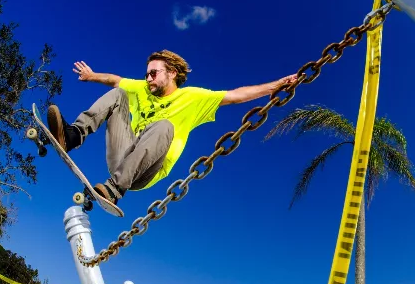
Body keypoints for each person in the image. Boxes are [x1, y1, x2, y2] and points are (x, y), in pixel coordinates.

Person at [46, 50, 297, 206]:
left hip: (146, 171)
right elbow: (115, 80)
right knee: (119, 93)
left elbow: (235, 95)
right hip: (121, 155)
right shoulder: (142, 88)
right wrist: (92, 76)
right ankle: (72, 136)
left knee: (165, 126)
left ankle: (114, 189)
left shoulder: (192, 97)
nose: (148, 79)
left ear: (172, 73)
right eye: (147, 74)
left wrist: (276, 85)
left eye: (154, 73)